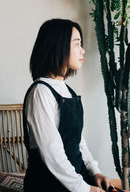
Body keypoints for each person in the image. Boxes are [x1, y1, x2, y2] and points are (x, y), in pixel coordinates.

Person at [23, 18, 110, 192]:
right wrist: (83, 188)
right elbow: (51, 153)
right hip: (49, 185)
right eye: (77, 44)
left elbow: (78, 141)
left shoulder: (67, 91)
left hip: (74, 180)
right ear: (57, 46)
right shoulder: (40, 92)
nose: (83, 50)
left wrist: (95, 172)